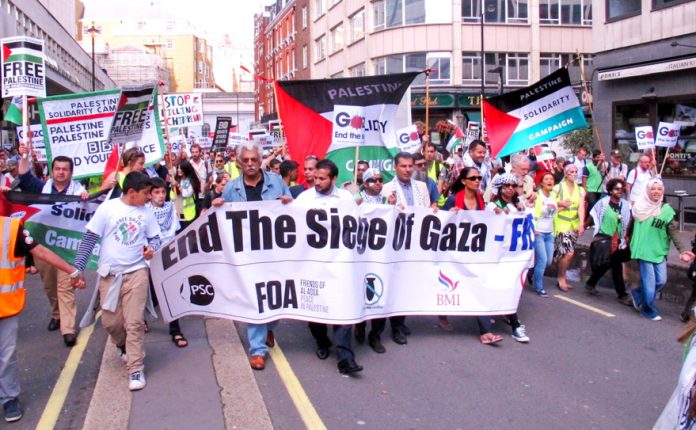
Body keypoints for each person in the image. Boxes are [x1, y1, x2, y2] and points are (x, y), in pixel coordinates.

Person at [73, 172, 162, 391]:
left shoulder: (147, 212)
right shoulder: (108, 208)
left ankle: (136, 368)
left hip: (137, 272)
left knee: (134, 323)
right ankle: (122, 345)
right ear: (131, 192)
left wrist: (152, 249)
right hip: (110, 275)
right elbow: (90, 238)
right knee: (111, 323)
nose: (149, 197)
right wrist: (78, 268)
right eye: (145, 193)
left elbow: (155, 238)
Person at [212, 142, 292, 370]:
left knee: (277, 296)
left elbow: (291, 211)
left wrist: (288, 202)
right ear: (239, 163)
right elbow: (224, 220)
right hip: (247, 255)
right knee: (254, 298)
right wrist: (217, 205)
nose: (250, 164)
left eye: (253, 160)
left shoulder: (276, 182)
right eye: (245, 160)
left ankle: (269, 326)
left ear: (260, 160)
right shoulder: (232, 188)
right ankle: (257, 349)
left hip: (276, 251)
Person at [0, 213, 85, 422]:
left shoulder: (10, 228)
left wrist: (71, 270)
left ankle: (9, 398)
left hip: (5, 306)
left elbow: (39, 251)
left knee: (6, 355)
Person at [294, 159, 363, 375]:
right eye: (315, 178)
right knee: (316, 309)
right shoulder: (304, 199)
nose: (317, 182)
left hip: (340, 263)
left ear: (334, 179)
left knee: (342, 307)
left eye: (322, 179)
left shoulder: (345, 198)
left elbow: (357, 224)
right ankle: (322, 342)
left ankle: (345, 357)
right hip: (313, 264)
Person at [17, 154, 89, 346]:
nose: (60, 172)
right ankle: (56, 314)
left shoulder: (79, 192)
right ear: (52, 170)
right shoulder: (42, 187)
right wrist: (24, 156)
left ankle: (68, 329)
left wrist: (85, 200)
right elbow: (23, 176)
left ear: (71, 172)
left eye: (65, 169)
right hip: (44, 247)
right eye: (57, 168)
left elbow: (90, 212)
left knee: (66, 287)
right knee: (50, 286)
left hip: (68, 248)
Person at [440, 167, 504, 345]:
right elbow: (439, 222)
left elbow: (485, 221)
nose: (477, 181)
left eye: (479, 177)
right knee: (449, 285)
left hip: (475, 252)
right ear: (463, 181)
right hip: (454, 252)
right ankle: (442, 314)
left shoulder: (481, 200)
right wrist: (449, 214)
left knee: (480, 285)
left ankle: (485, 331)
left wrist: (497, 214)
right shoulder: (454, 198)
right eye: (473, 178)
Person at [629, 179, 694, 321]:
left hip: (659, 250)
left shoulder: (667, 211)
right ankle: (647, 309)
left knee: (661, 281)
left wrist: (682, 251)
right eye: (653, 189)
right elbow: (631, 226)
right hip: (643, 249)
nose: (656, 192)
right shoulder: (638, 207)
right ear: (647, 191)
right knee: (650, 283)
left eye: (659, 189)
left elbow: (674, 232)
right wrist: (624, 240)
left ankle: (638, 294)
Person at [486, 173, 530, 343]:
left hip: (514, 254)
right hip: (498, 253)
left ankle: (511, 320)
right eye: (507, 186)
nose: (510, 189)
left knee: (510, 287)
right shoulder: (492, 206)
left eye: (513, 186)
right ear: (500, 188)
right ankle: (514, 324)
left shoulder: (519, 206)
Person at [146, 177, 187, 347]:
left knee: (171, 292)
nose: (161, 196)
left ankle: (175, 330)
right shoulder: (144, 211)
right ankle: (141, 317)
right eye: (156, 192)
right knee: (152, 295)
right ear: (149, 194)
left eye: (163, 192)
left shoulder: (171, 208)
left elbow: (176, 231)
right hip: (151, 257)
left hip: (168, 255)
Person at [353, 168, 390, 353]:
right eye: (373, 180)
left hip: (380, 254)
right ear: (365, 183)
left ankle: (375, 335)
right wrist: (353, 206)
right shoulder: (356, 199)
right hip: (361, 254)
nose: (378, 183)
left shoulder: (386, 200)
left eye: (380, 180)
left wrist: (393, 207)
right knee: (360, 292)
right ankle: (359, 324)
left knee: (379, 294)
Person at [584, 178, 633, 305]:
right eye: (617, 189)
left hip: (619, 241)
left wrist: (628, 237)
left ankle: (593, 284)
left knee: (614, 265)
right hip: (604, 239)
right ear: (610, 190)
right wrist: (583, 227)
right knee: (607, 264)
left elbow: (629, 222)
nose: (620, 191)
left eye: (622, 189)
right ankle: (620, 294)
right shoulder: (603, 203)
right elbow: (593, 216)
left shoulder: (626, 205)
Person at [553, 164, 586, 292]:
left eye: (576, 171)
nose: (574, 174)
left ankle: (561, 272)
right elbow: (548, 203)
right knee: (569, 253)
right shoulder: (558, 188)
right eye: (571, 171)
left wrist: (581, 223)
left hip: (573, 224)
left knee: (565, 253)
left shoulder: (580, 190)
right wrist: (561, 204)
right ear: (566, 174)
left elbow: (581, 207)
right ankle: (561, 277)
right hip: (561, 224)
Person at [531, 172, 557, 297]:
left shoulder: (554, 195)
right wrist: (533, 229)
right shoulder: (537, 195)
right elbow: (530, 209)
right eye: (546, 179)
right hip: (538, 232)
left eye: (551, 179)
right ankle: (539, 287)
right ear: (541, 182)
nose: (549, 181)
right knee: (543, 260)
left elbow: (555, 211)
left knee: (549, 262)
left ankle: (531, 271)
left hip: (550, 233)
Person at [170, 160, 201, 229]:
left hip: (189, 214)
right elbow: (172, 197)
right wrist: (173, 188)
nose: (178, 170)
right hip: (178, 214)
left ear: (185, 169)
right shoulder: (177, 180)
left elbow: (186, 194)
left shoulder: (192, 181)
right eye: (178, 168)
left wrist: (178, 185)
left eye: (180, 168)